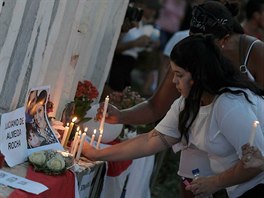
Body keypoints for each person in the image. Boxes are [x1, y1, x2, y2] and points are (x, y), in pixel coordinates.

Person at [84, 34, 264, 197]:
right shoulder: (187, 102)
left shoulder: (229, 105)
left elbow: (257, 163)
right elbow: (151, 140)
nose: (173, 81)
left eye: (179, 74)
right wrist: (97, 153)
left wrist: (215, 182)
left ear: (199, 75)